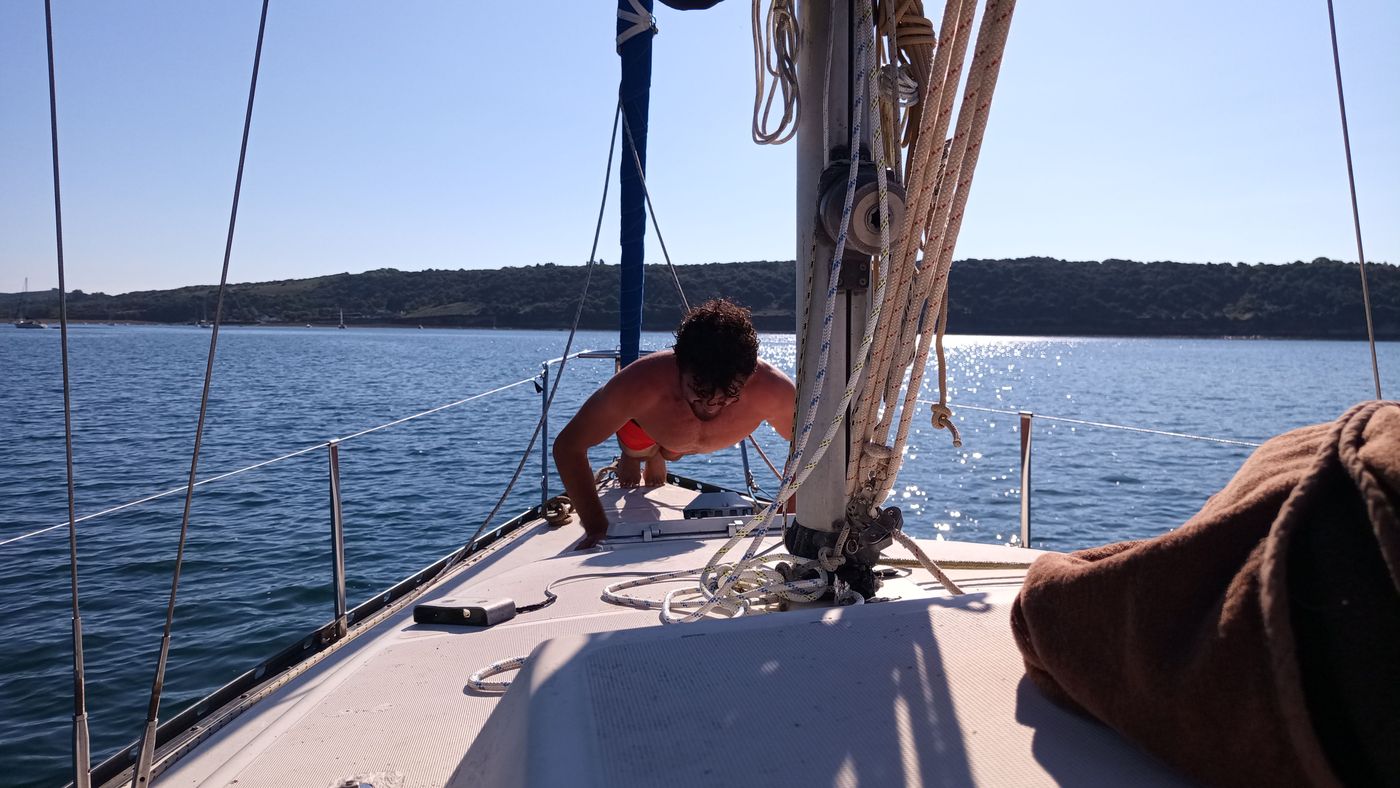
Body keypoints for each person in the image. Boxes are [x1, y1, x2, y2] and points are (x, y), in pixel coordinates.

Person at [553, 299, 795, 549]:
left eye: (728, 396)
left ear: (749, 375)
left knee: (671, 452)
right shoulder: (638, 384)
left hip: (677, 441)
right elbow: (569, 446)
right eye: (699, 392)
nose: (711, 406)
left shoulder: (774, 391)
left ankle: (661, 454)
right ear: (678, 365)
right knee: (637, 450)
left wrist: (791, 522)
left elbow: (810, 447)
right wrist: (596, 528)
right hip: (643, 425)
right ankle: (636, 456)